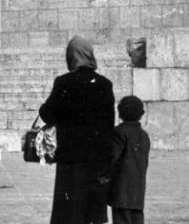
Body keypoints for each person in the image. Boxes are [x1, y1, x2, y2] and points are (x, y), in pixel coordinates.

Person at [39, 36, 115, 224]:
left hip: (70, 161)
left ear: (71, 56)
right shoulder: (104, 84)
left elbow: (48, 114)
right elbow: (109, 126)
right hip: (97, 161)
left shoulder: (64, 82)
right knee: (92, 215)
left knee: (69, 214)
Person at [108, 95, 150, 224]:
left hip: (121, 190)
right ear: (141, 114)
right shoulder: (144, 135)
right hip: (137, 190)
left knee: (122, 219)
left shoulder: (119, 132)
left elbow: (111, 158)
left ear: (120, 112)